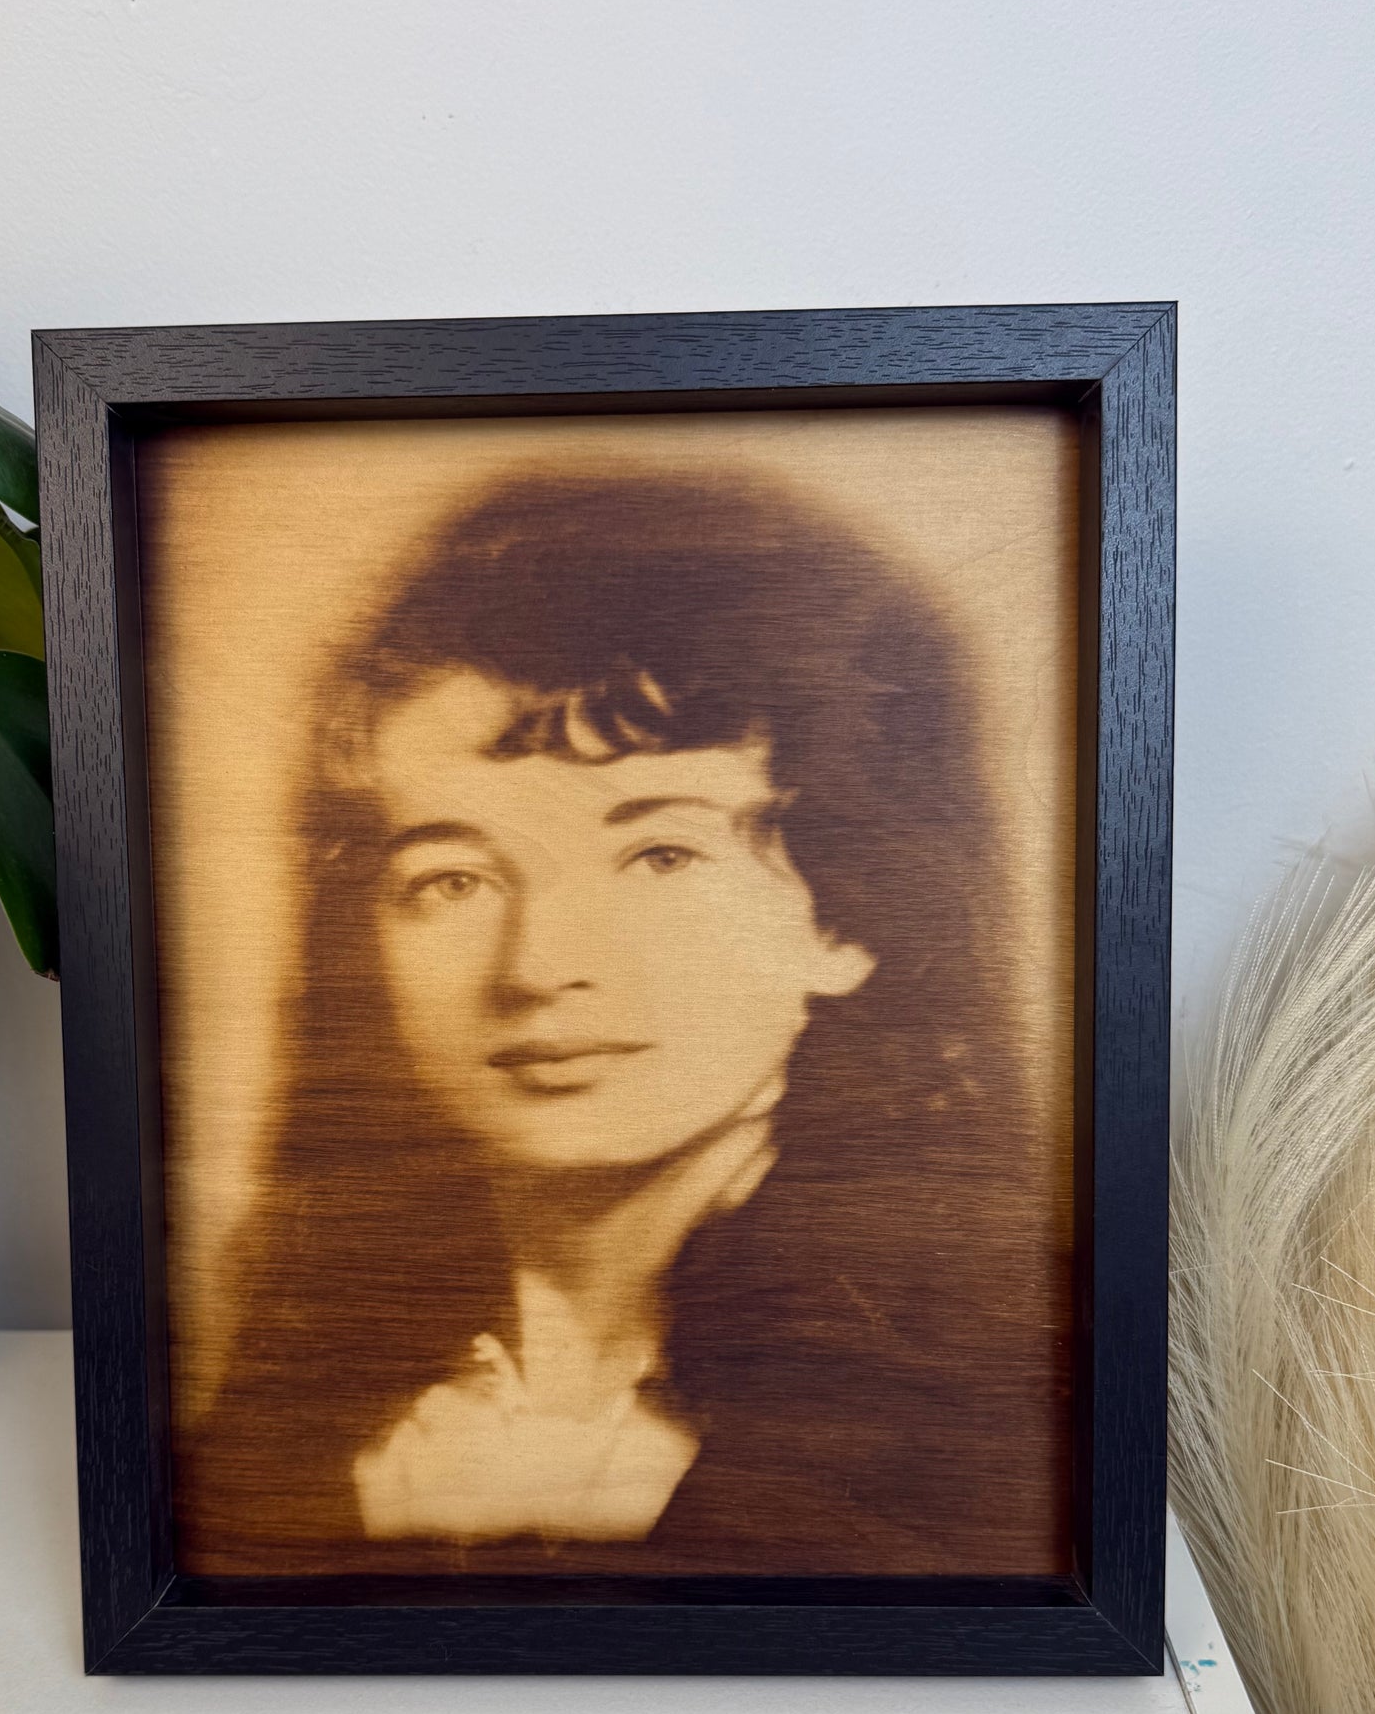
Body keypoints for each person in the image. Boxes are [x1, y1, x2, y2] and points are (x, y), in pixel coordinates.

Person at [183, 465, 1071, 1577]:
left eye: (659, 855)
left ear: (844, 918)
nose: (539, 968)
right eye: (454, 877)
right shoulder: (303, 1405)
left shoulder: (967, 1417)